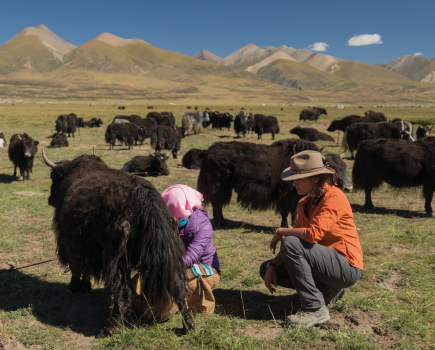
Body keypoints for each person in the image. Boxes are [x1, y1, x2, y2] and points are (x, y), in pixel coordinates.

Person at [259, 150, 363, 327]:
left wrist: (283, 231)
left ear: (315, 179)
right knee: (266, 269)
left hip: (346, 267)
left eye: (299, 179)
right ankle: (325, 290)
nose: (294, 184)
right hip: (325, 263)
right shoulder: (305, 203)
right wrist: (273, 265)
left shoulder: (335, 197)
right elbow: (297, 243)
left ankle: (314, 308)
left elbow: (312, 235)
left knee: (290, 241)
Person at [161, 184, 220, 315]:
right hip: (176, 266)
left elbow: (192, 256)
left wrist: (167, 269)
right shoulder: (165, 223)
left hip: (204, 267)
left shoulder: (203, 224)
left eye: (180, 217)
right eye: (172, 218)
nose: (176, 221)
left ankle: (197, 305)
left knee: (188, 282)